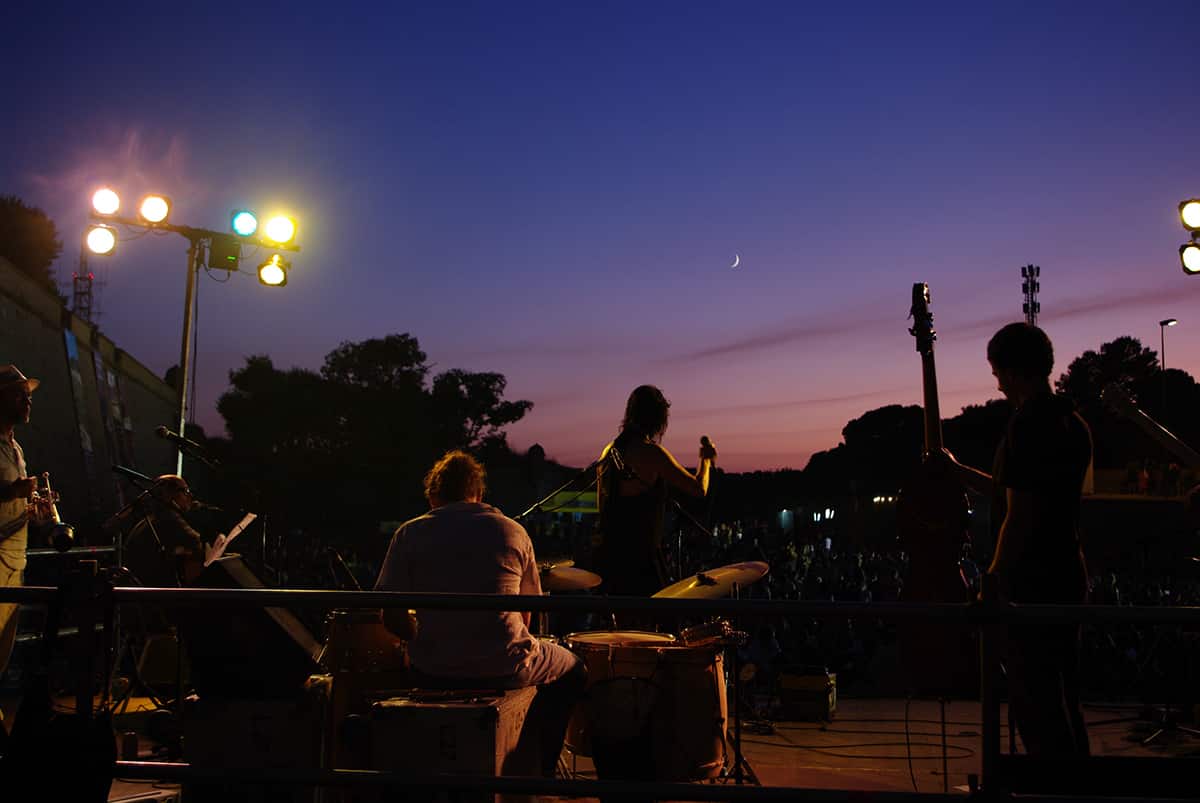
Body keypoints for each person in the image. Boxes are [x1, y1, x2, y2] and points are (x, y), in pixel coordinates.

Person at [374, 450, 585, 778]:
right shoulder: (512, 531)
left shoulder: (409, 533)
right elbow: (527, 615)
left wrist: (429, 637)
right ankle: (538, 768)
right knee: (574, 670)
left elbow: (392, 618)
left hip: (432, 670)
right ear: (479, 493)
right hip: (504, 665)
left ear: (433, 495)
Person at [943, 323, 1091, 758]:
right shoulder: (1072, 422)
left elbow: (1021, 514)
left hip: (1033, 577)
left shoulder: (1028, 425)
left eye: (998, 371)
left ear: (1015, 371)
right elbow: (1018, 492)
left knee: (1035, 700)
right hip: (1067, 570)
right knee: (1065, 695)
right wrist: (961, 474)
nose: (997, 382)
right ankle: (1078, 785)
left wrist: (994, 578)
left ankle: (1053, 788)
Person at [595, 385, 717, 606]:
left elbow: (601, 507)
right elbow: (698, 489)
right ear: (658, 419)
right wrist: (706, 460)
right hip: (642, 563)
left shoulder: (608, 452)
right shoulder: (651, 453)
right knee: (660, 631)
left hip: (610, 561)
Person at [0, 366, 39, 686]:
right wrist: (14, 491)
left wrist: (32, 507)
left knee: (4, 646)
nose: (28, 401)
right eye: (20, 395)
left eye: (29, 396)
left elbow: (16, 500)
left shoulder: (17, 448)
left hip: (16, 556)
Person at [123, 474, 205, 591]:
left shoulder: (152, 518)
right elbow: (196, 542)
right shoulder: (169, 517)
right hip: (154, 592)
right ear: (171, 495)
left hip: (140, 588)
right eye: (186, 491)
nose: (190, 495)